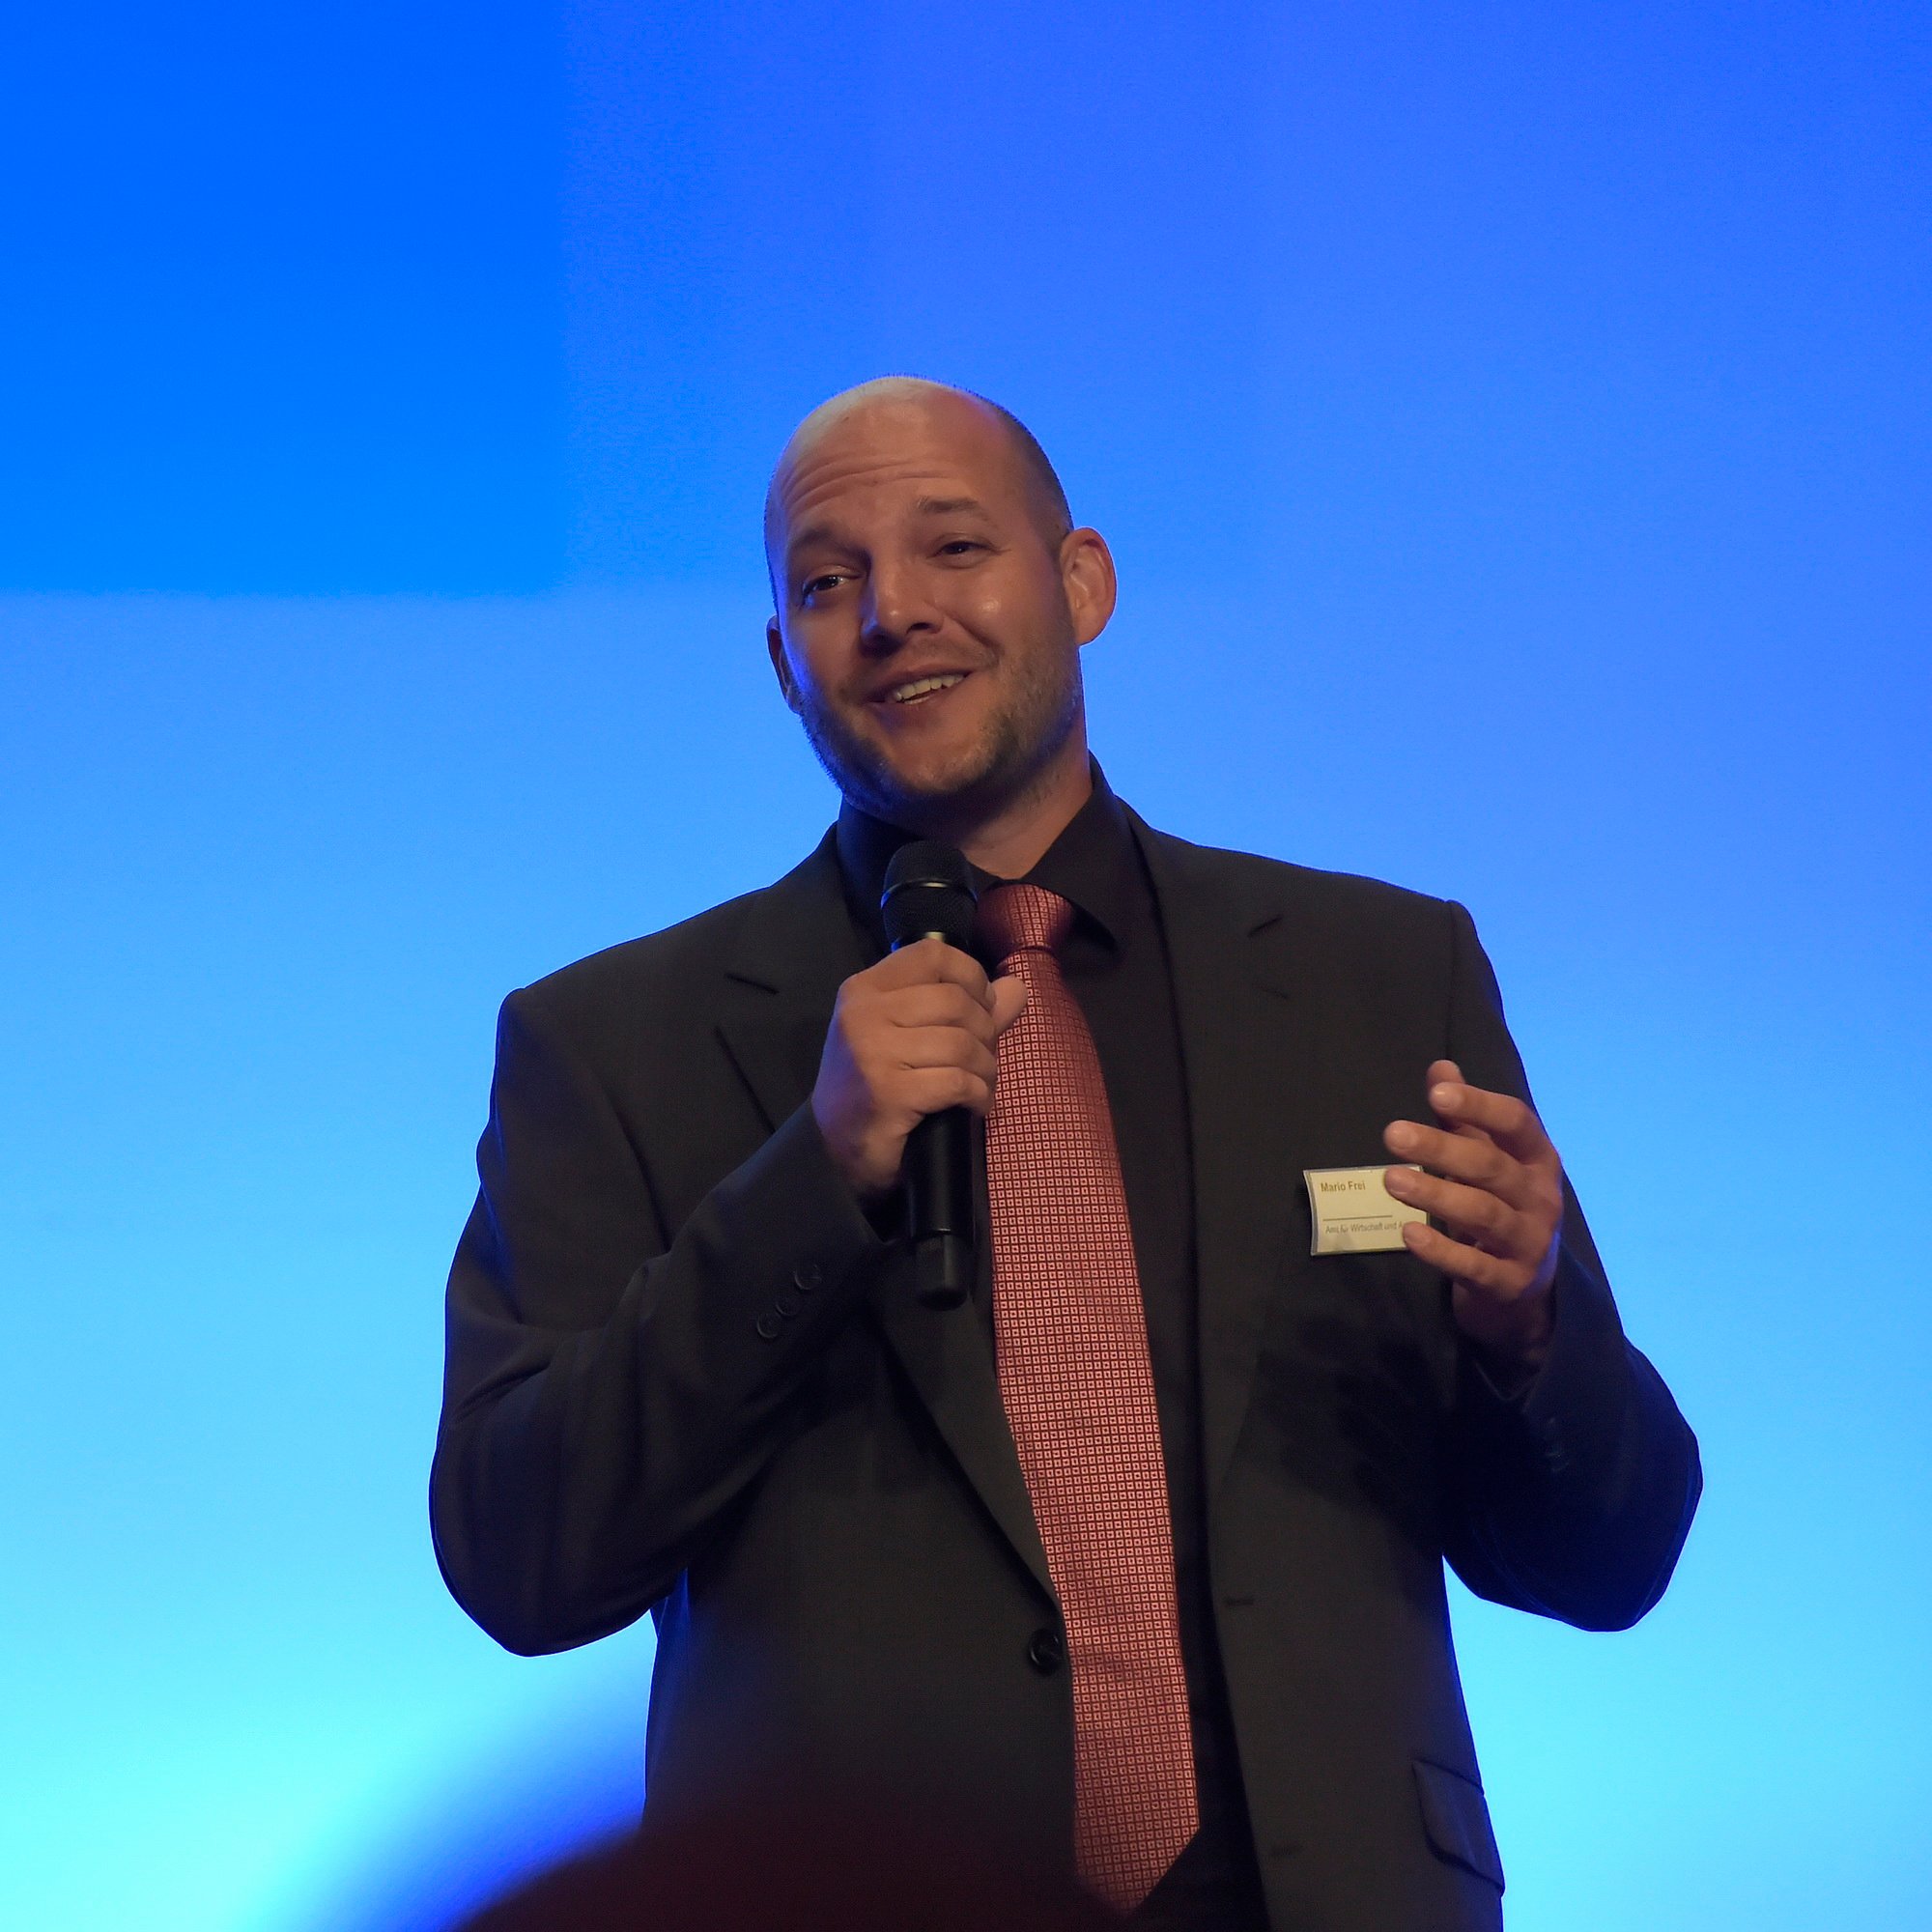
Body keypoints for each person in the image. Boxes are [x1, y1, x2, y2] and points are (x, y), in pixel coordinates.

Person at [431, 378, 1701, 1932]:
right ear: (783, 664)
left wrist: (1533, 1330)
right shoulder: (617, 1041)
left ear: (1082, 583)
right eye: (827, 582)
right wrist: (809, 1184)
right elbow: (519, 1556)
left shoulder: (1378, 978)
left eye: (954, 547)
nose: (892, 612)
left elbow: (1611, 1558)